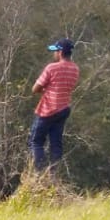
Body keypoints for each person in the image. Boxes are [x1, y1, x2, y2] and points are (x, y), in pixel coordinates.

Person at [30, 38, 80, 173]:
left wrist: (45, 90)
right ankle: (54, 174)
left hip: (48, 109)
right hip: (64, 108)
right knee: (56, 143)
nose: (54, 54)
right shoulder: (75, 69)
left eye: (56, 51)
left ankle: (40, 174)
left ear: (60, 52)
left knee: (36, 142)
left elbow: (35, 89)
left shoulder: (52, 68)